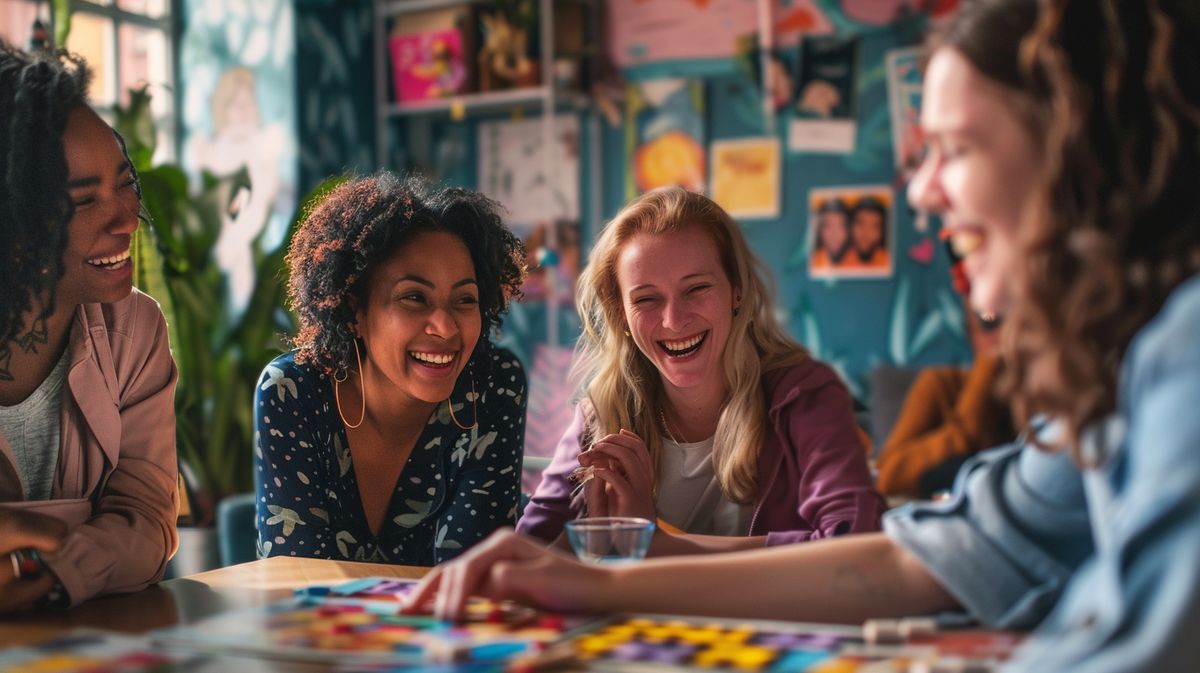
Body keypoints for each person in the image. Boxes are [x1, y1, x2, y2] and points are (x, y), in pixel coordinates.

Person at [408, 0, 1200, 669]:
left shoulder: (1183, 350)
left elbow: (871, 542)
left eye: (953, 149)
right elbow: (907, 557)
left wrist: (643, 550)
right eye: (646, 299)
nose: (921, 187)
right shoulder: (1108, 388)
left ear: (1074, 153)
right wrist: (596, 577)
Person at [518, 186, 884, 555]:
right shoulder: (603, 411)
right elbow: (529, 550)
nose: (674, 320)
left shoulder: (804, 395)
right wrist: (591, 541)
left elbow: (854, 546)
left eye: (696, 289)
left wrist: (655, 545)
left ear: (736, 291)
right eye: (646, 298)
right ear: (621, 315)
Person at [255, 173, 528, 565]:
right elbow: (294, 578)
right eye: (414, 298)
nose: (445, 326)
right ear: (355, 311)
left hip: (444, 626)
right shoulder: (293, 392)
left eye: (465, 300)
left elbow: (473, 576)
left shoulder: (492, 385)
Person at [0, 43, 179, 613]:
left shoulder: (137, 330)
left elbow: (148, 524)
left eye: (125, 182)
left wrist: (58, 564)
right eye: (83, 201)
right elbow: (122, 537)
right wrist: (88, 538)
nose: (127, 219)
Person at [844, 196, 891, 269]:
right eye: (861, 223)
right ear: (851, 227)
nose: (866, 233)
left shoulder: (889, 260)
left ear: (882, 233)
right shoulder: (840, 262)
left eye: (874, 226)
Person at [809, 198, 852, 270]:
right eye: (827, 225)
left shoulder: (855, 261)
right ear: (819, 230)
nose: (834, 234)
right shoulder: (814, 259)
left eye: (840, 226)